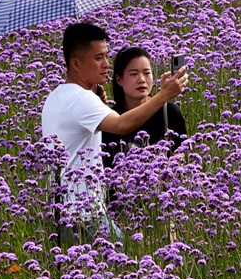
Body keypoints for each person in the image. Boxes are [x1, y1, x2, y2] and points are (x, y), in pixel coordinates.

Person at [41, 21, 186, 246]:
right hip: (86, 215)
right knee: (131, 265)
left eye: (107, 56)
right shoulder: (81, 99)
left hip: (64, 212)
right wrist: (163, 96)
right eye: (98, 58)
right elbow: (121, 126)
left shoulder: (56, 97)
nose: (107, 64)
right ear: (76, 63)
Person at [103, 46, 187, 167]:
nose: (141, 80)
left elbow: (181, 150)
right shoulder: (111, 119)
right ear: (119, 80)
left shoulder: (170, 112)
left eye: (147, 73)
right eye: (133, 74)